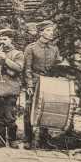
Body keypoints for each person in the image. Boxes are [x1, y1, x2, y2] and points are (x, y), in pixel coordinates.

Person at [23, 20, 61, 150]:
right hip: (34, 82)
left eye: (52, 30)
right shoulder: (31, 48)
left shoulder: (54, 49)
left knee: (46, 109)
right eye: (48, 30)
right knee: (29, 110)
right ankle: (28, 139)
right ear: (41, 32)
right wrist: (29, 85)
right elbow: (27, 68)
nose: (51, 33)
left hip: (49, 83)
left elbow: (58, 66)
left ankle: (44, 140)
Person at [0, 29, 24, 149]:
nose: (2, 42)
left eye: (5, 39)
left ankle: (12, 139)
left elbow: (19, 68)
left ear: (11, 40)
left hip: (10, 88)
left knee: (10, 115)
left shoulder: (17, 53)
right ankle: (0, 139)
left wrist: (5, 59)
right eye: (1, 40)